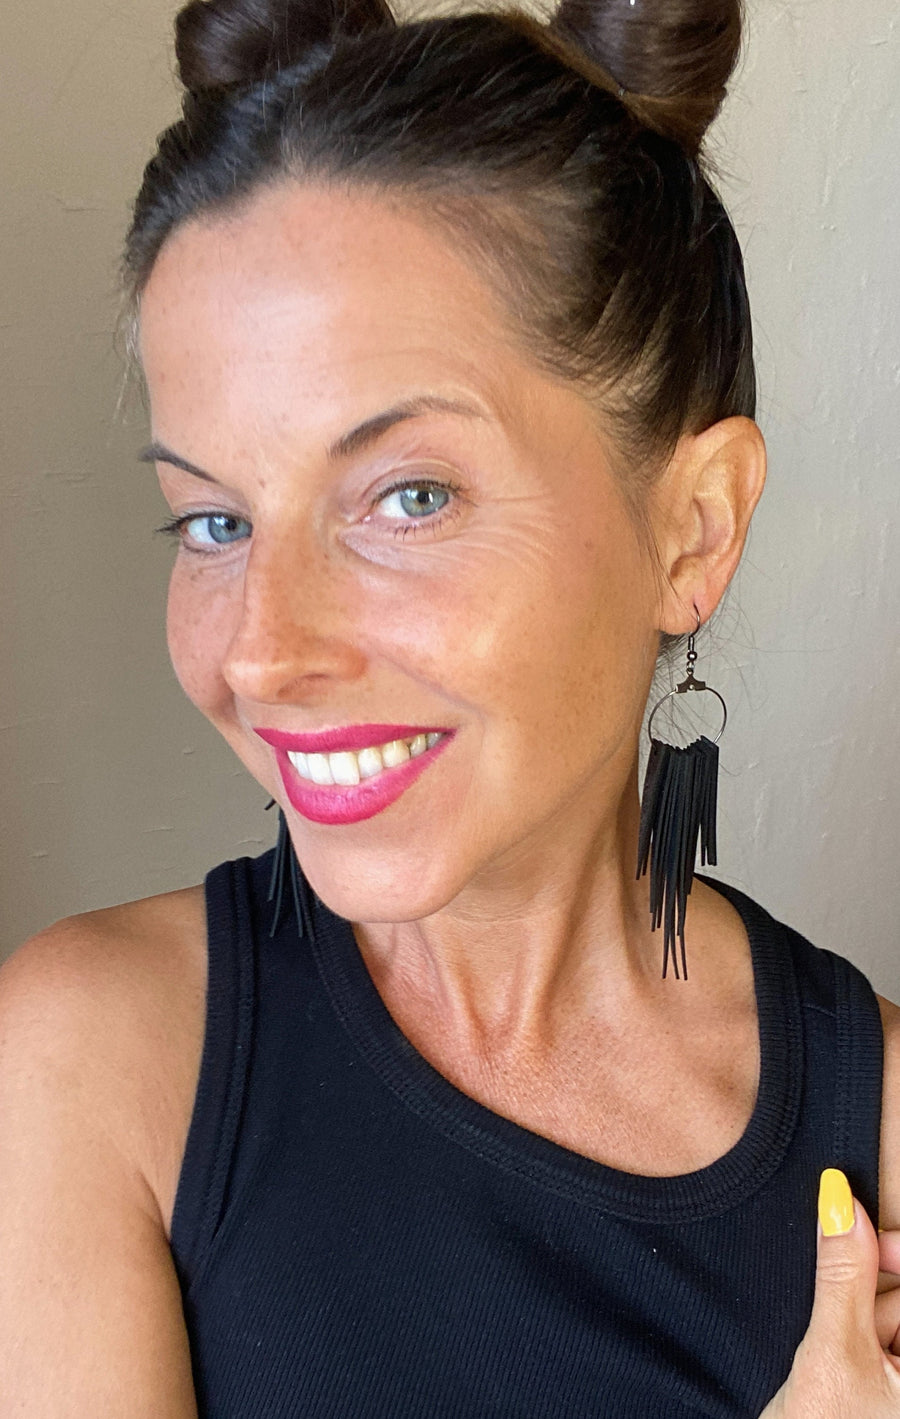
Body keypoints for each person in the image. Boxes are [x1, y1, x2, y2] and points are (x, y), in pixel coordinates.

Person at [1, 0, 899, 1413]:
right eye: (214, 521)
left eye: (406, 497)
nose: (263, 652)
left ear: (694, 528)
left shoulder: (884, 1136)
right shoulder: (94, 1063)